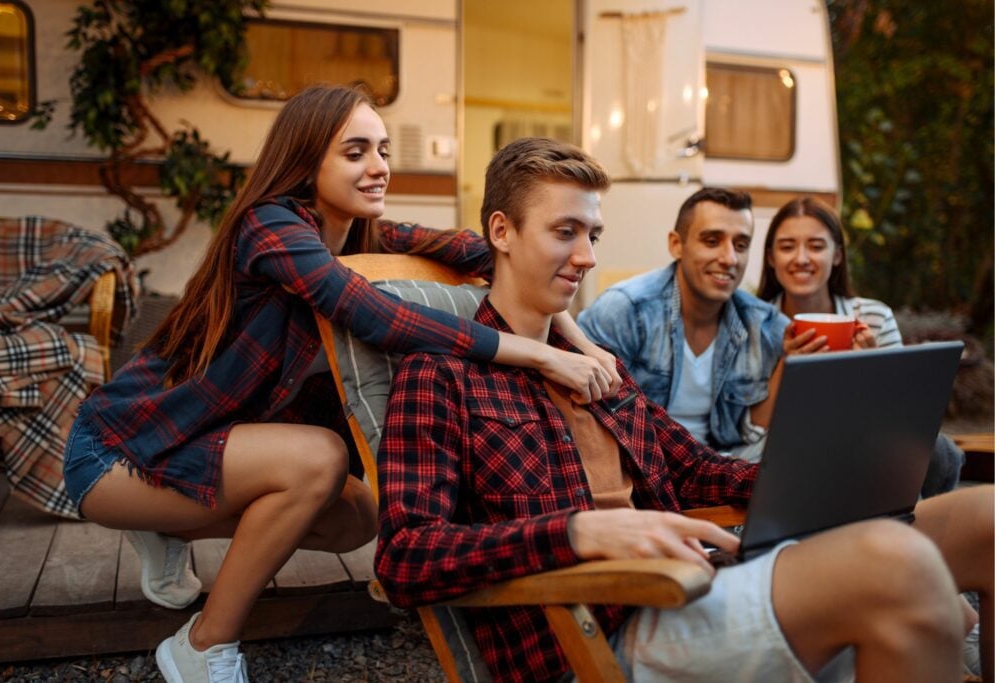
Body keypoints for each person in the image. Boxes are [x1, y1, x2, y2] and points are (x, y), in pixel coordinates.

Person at [373, 137, 993, 683]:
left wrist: (818, 484)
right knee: (901, 567)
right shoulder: (443, 374)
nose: (586, 255)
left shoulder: (597, 365)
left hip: (697, 582)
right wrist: (580, 532)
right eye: (565, 232)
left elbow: (696, 469)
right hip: (602, 626)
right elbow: (404, 558)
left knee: (985, 516)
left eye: (593, 234)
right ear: (502, 233)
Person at [61, 86, 618, 683]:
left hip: (205, 447)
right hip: (119, 452)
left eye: (381, 150)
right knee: (319, 460)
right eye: (355, 152)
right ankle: (202, 645)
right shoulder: (268, 225)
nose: (378, 167)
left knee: (359, 518)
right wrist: (535, 356)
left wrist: (579, 342)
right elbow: (373, 315)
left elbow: (495, 253)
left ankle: (168, 522)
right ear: (307, 161)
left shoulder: (358, 232)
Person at [756, 196, 963, 497]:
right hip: (785, 450)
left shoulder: (873, 317)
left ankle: (917, 532)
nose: (801, 258)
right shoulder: (755, 325)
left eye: (816, 246)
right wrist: (787, 364)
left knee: (938, 451)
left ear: (837, 255)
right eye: (787, 246)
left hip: (863, 444)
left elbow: (904, 419)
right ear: (771, 258)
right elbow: (751, 426)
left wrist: (870, 370)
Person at [577, 187, 788, 461]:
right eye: (712, 241)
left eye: (741, 245)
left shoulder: (766, 325)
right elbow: (588, 419)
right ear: (676, 244)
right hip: (646, 466)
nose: (729, 259)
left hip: (729, 467)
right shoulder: (626, 310)